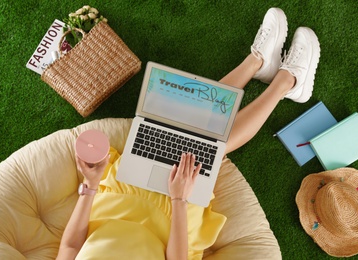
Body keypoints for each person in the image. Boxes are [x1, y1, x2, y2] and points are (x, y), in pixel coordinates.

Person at [56, 7, 320, 260]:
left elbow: (70, 246)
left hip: (116, 200)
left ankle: (257, 62)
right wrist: (180, 198)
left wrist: (90, 186)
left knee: (173, 123)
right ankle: (287, 81)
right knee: (205, 148)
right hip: (172, 224)